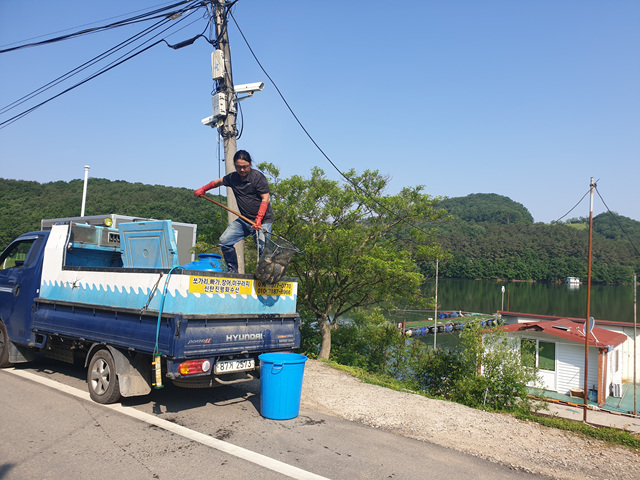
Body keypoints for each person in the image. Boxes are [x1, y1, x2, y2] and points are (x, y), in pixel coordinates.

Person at [194, 150, 274, 273]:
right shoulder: (233, 178)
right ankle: (232, 270)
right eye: (238, 167)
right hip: (244, 219)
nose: (242, 170)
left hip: (262, 221)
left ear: (250, 164)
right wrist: (203, 189)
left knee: (263, 250)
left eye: (245, 167)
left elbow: (265, 198)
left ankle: (266, 275)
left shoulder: (257, 177)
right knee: (225, 241)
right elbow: (217, 182)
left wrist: (259, 218)